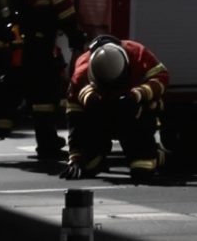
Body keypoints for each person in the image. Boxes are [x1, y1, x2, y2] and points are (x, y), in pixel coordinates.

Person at [0, 0, 85, 163]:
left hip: (15, 46)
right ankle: (46, 144)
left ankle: (5, 120)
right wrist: (75, 35)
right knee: (43, 98)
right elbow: (64, 10)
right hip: (39, 47)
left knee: (27, 90)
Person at [64, 36, 169, 183]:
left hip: (134, 116)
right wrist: (75, 158)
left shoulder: (137, 53)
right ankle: (97, 156)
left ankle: (155, 154)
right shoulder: (81, 75)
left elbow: (161, 77)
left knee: (142, 171)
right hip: (101, 118)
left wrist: (137, 95)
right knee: (87, 166)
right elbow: (74, 118)